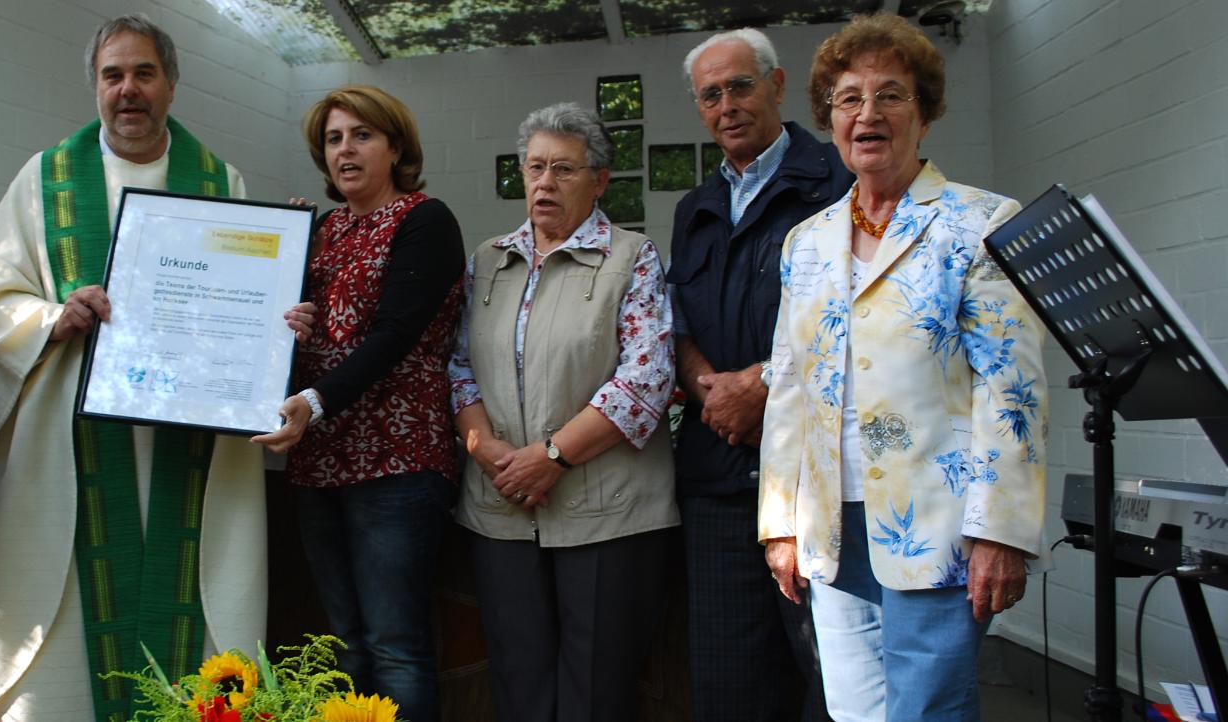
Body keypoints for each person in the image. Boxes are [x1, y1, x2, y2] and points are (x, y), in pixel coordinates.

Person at [0, 14, 312, 720]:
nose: (129, 90)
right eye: (112, 74)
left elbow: (243, 307)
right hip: (75, 446)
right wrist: (51, 318)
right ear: (95, 86)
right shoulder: (45, 179)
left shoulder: (220, 180)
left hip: (192, 447)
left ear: (172, 86)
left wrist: (278, 326)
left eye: (144, 74)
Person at [759, 13, 1046, 721]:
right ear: (829, 119)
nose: (868, 114)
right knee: (854, 711)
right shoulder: (808, 243)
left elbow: (1014, 389)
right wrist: (780, 523)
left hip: (940, 524)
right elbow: (790, 388)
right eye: (848, 98)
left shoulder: (980, 224)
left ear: (924, 113)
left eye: (891, 95)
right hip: (830, 522)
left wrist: (1001, 530)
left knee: (926, 711)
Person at [447, 102, 676, 722]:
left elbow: (647, 379)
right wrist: (485, 449)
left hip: (609, 515)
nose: (544, 183)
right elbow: (458, 365)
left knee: (595, 692)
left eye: (564, 171)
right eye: (535, 168)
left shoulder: (632, 257)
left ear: (600, 180)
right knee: (518, 683)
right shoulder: (487, 260)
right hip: (501, 506)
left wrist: (551, 457)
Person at [250, 85, 464, 722]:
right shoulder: (318, 230)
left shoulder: (425, 220)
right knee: (342, 648)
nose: (345, 149)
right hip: (320, 462)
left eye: (362, 135)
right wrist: (281, 289)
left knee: (396, 649)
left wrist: (313, 401)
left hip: (397, 462)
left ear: (395, 147)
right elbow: (300, 335)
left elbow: (395, 335)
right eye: (334, 138)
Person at [667, 28, 850, 722]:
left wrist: (765, 384)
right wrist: (709, 385)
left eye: (741, 85)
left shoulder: (838, 182)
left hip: (816, 481)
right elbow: (678, 320)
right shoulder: (695, 209)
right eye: (710, 95)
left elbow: (858, 321)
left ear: (776, 86)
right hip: (717, 478)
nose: (727, 105)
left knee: (835, 683)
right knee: (729, 689)